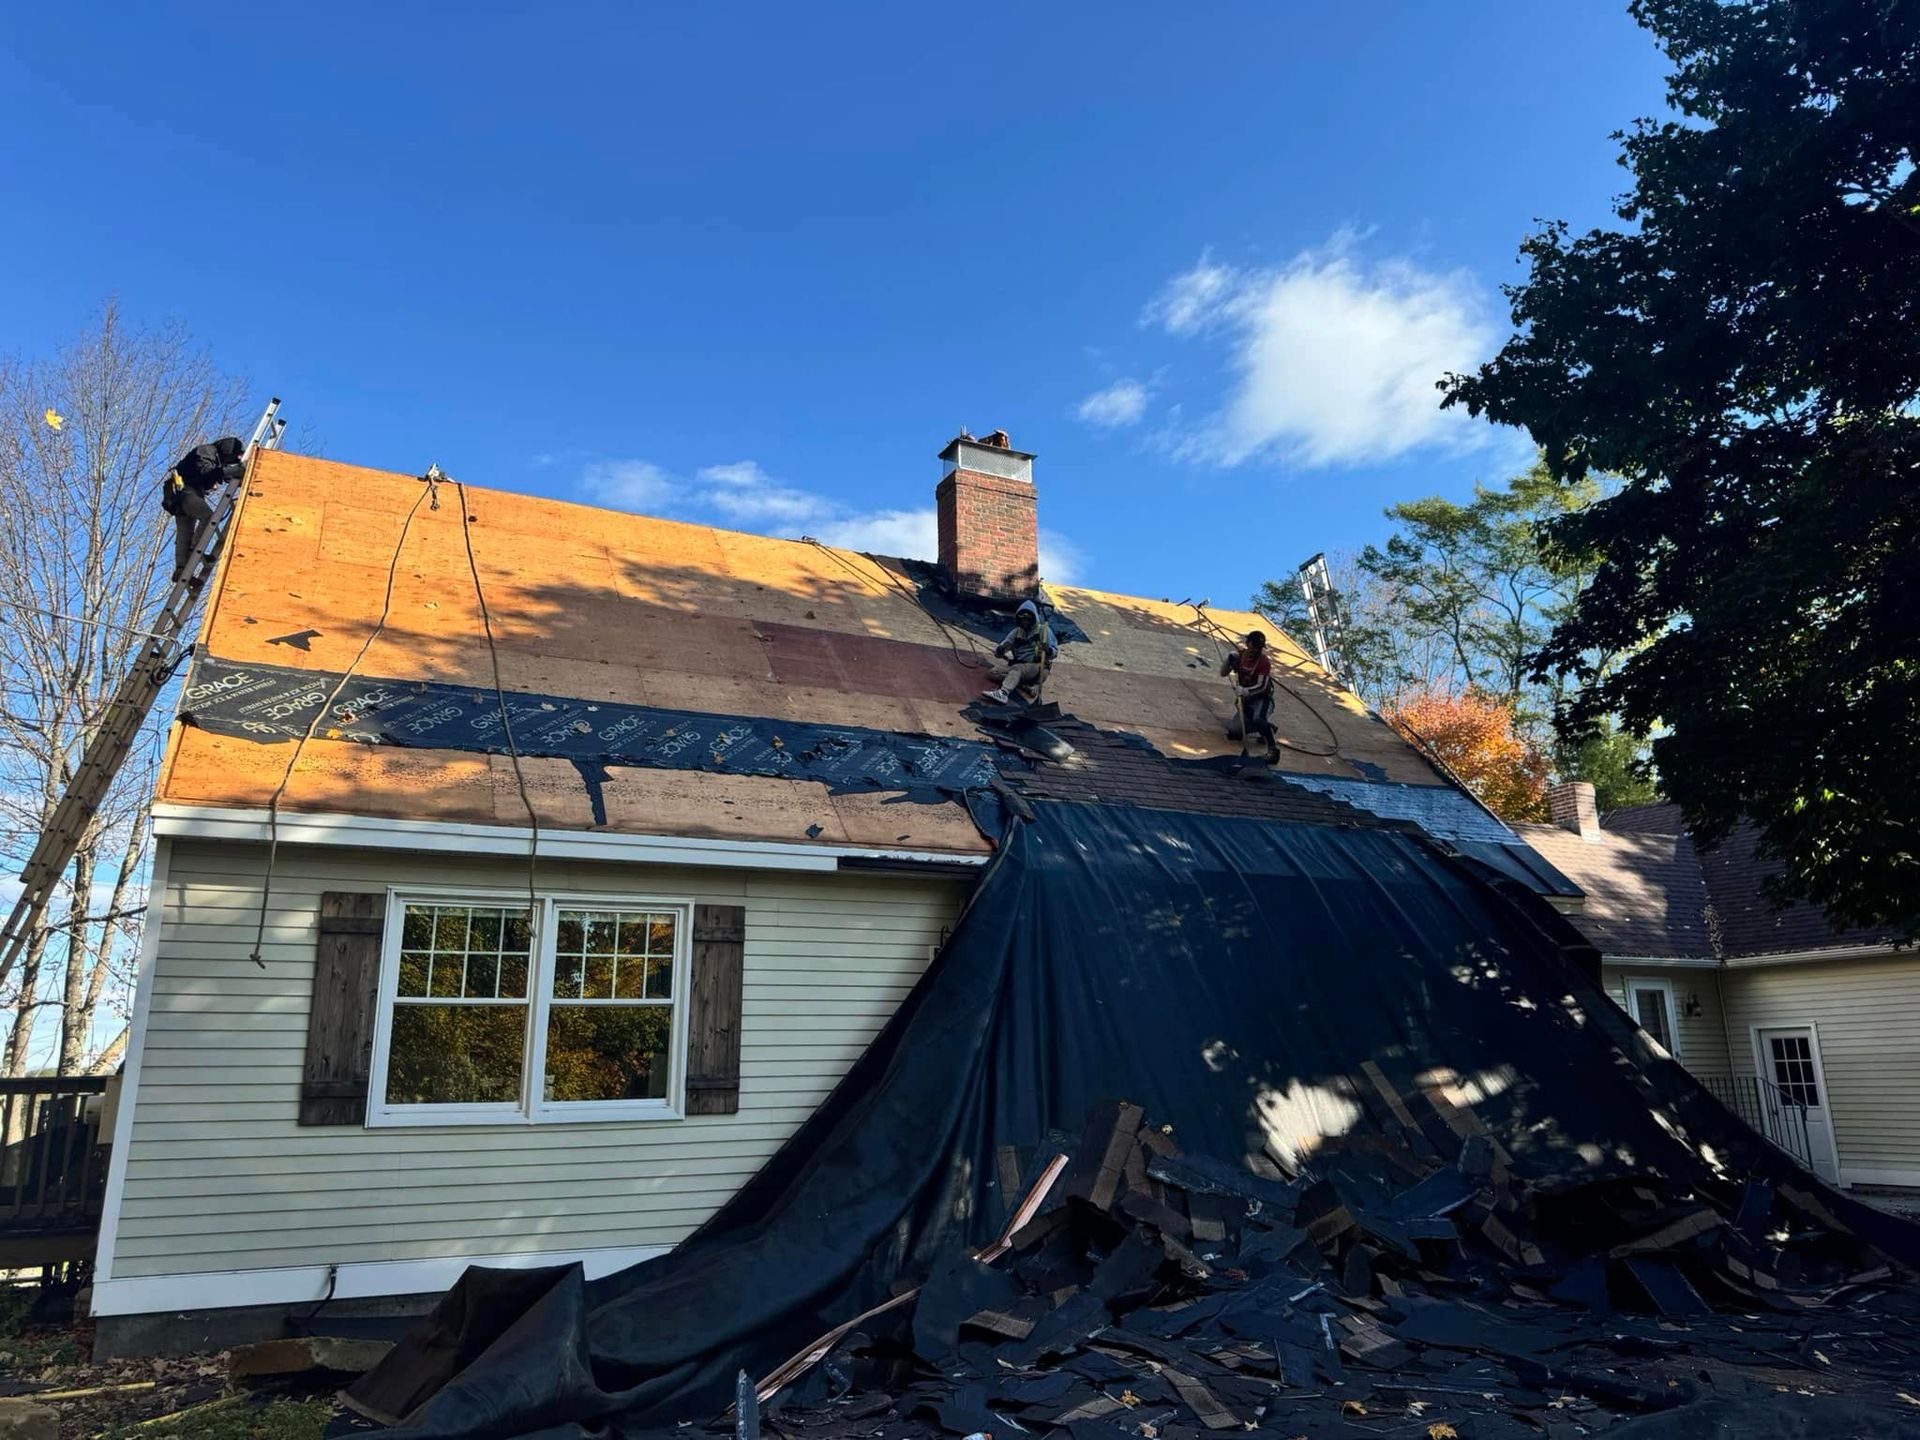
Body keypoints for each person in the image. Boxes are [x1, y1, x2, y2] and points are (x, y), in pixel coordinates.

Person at [163, 436, 246, 580]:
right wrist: (234, 471)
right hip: (184, 492)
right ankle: (196, 551)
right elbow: (206, 471)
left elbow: (219, 473)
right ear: (227, 449)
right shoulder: (206, 451)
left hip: (181, 496)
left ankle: (182, 569)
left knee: (185, 532)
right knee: (208, 517)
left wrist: (234, 476)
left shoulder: (215, 458)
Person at [1220, 630, 1280, 763]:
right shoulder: (1240, 657)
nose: (1256, 650)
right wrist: (1228, 661)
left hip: (1262, 700)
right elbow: (1223, 673)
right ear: (1248, 644)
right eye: (1254, 646)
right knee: (1234, 733)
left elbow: (1263, 686)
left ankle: (1273, 751)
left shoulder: (1263, 662)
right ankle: (1268, 728)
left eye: (1259, 648)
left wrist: (1245, 691)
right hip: (1246, 701)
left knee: (1258, 719)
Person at [982, 600, 1057, 705]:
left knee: (1017, 669)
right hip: (1020, 665)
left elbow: (1054, 653)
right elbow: (1002, 649)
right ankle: (1024, 686)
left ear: (1033, 618)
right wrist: (1000, 650)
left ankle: (1003, 693)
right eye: (1022, 619)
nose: (1024, 622)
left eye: (1027, 619)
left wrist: (1048, 650)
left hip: (1037, 667)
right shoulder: (1016, 632)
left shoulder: (1044, 631)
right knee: (993, 673)